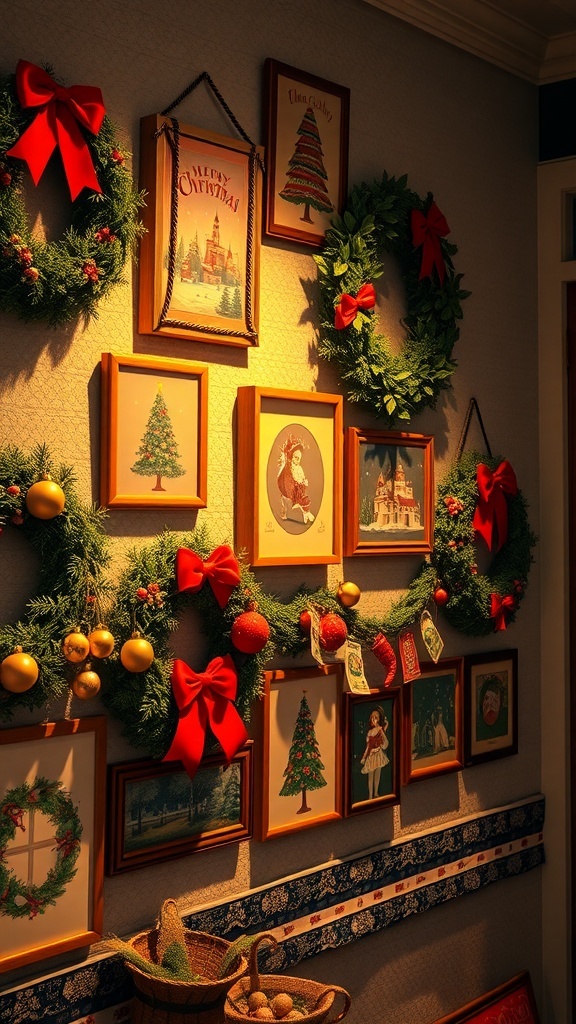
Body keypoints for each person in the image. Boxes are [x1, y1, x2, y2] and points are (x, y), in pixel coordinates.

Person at [277, 434, 315, 524]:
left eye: (299, 458)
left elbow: (301, 478)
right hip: (291, 491)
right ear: (292, 457)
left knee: (303, 500)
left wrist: (303, 483)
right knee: (291, 502)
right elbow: (287, 481)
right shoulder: (289, 468)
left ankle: (306, 514)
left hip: (299, 490)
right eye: (296, 458)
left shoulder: (299, 468)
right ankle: (286, 512)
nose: (298, 461)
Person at [360, 707, 389, 799]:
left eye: (376, 717)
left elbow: (386, 742)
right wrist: (364, 757)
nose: (374, 719)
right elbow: (368, 747)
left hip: (379, 754)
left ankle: (376, 793)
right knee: (370, 776)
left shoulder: (380, 729)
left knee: (377, 775)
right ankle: (370, 796)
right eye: (372, 717)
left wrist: (381, 728)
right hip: (371, 755)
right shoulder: (369, 732)